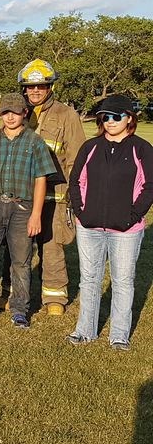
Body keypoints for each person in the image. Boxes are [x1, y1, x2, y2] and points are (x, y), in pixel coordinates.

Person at [0, 59, 86, 316]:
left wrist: (73, 196)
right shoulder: (16, 112)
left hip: (54, 194)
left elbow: (77, 159)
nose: (35, 91)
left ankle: (54, 295)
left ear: (50, 87)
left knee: (51, 243)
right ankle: (10, 291)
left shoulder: (66, 115)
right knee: (15, 245)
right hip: (19, 196)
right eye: (30, 87)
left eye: (41, 86)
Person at [67, 95, 153, 350]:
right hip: (89, 227)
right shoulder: (90, 147)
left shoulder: (142, 148)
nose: (110, 121)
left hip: (126, 230)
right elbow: (75, 181)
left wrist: (132, 216)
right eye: (105, 116)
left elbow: (149, 186)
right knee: (89, 278)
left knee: (123, 280)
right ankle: (84, 331)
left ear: (129, 118)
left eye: (117, 116)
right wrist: (82, 212)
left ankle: (119, 335)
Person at [0, 93, 56, 329]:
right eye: (6, 112)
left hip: (22, 208)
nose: (10, 117)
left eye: (15, 112)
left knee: (21, 261)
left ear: (24, 113)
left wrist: (36, 214)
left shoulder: (35, 143)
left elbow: (41, 179)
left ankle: (20, 310)